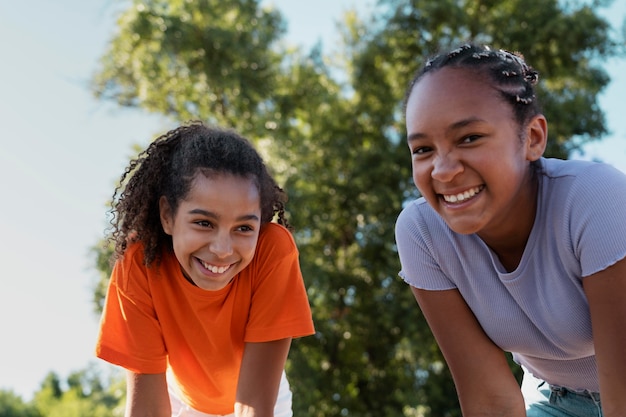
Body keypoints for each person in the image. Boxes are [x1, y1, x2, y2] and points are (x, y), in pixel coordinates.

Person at [395, 43, 626, 417]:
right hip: (553, 401)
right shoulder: (422, 233)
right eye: (422, 149)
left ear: (532, 138)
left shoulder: (596, 200)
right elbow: (490, 401)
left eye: (469, 138)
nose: (442, 170)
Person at [96, 121, 315, 417]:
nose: (222, 249)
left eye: (243, 228)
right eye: (203, 223)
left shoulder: (273, 252)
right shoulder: (140, 260)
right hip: (180, 402)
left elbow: (254, 408)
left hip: (264, 401)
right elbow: (147, 409)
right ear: (167, 216)